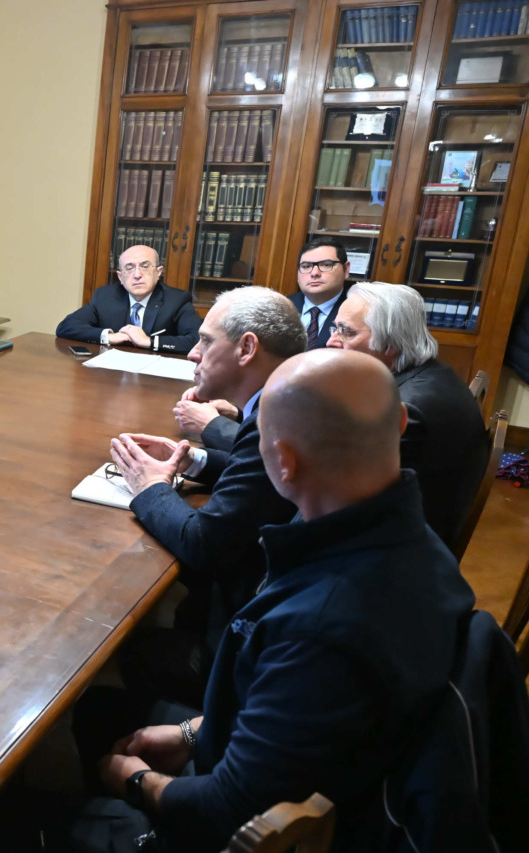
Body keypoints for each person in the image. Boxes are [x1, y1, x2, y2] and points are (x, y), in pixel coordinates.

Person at [69, 349, 476, 853]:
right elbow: (297, 708)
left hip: (266, 826)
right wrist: (192, 732)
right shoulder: (417, 544)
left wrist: (134, 780)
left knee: (55, 803)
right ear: (397, 422)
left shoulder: (321, 625)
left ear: (283, 461)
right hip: (338, 765)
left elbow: (228, 808)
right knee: (100, 713)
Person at [108, 286, 306, 704]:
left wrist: (149, 487)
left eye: (205, 341)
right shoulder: (291, 397)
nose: (194, 354)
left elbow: (203, 544)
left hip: (243, 646)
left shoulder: (275, 416)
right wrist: (193, 459)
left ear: (247, 348)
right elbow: (259, 476)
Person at [327, 281, 488, 551]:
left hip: (394, 555)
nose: (332, 341)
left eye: (347, 332)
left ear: (390, 343)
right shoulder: (433, 374)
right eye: (335, 328)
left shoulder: (407, 411)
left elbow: (343, 498)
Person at [171, 237, 350, 443]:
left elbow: (266, 446)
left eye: (326, 265)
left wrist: (214, 425)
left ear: (346, 269)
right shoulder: (280, 307)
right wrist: (239, 413)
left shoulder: (353, 317)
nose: (315, 273)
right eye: (306, 266)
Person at [55, 245, 201, 354]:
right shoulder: (105, 297)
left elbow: (198, 340)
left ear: (158, 272)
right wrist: (109, 336)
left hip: (154, 380)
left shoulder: (176, 300)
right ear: (120, 277)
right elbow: (66, 327)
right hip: (112, 377)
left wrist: (148, 341)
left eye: (145, 266)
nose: (137, 275)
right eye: (129, 268)